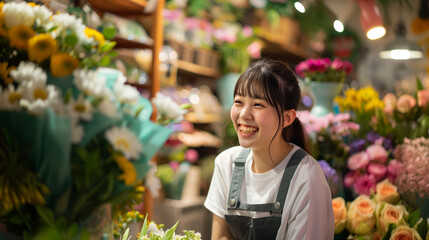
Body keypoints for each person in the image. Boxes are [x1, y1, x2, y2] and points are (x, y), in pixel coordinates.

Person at [204, 58, 335, 240]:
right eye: (239, 102)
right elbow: (220, 237)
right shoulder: (226, 164)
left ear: (287, 118)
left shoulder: (307, 177)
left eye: (258, 105)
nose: (244, 114)